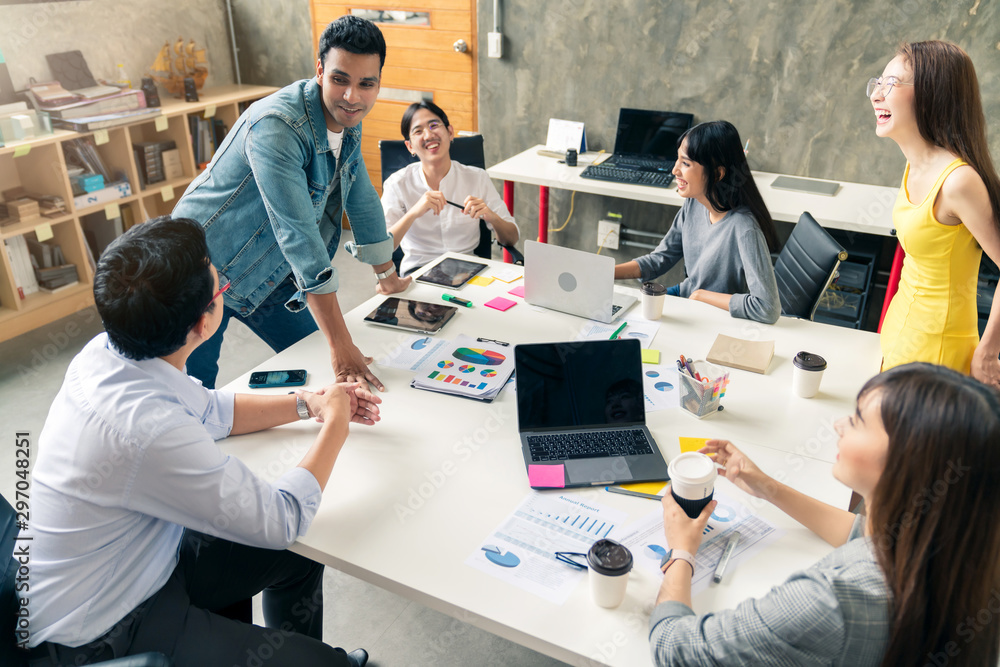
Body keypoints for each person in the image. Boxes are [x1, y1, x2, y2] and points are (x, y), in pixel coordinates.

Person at [26, 217, 380, 667]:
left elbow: (211, 410)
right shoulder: (150, 429)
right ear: (202, 323)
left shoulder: (109, 351)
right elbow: (283, 517)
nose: (225, 284)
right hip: (104, 625)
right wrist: (336, 425)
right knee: (311, 628)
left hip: (139, 558)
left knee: (297, 558)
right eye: (220, 285)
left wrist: (309, 402)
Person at [650, 363, 1000, 666]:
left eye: (858, 420)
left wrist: (681, 552)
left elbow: (677, 648)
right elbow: (865, 535)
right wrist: (767, 487)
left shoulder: (831, 602)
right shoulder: (964, 554)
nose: (838, 424)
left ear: (907, 462)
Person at [173, 15, 410, 391]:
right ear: (320, 70)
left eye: (366, 84)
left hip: (271, 272)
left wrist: (388, 276)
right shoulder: (277, 126)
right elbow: (298, 235)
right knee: (191, 390)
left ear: (378, 81)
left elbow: (360, 193)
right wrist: (341, 342)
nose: (353, 96)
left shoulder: (347, 114)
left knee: (314, 361)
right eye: (340, 79)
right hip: (202, 270)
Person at [872, 40, 1000, 385]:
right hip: (898, 341)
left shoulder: (959, 182)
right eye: (878, 83)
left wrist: (988, 353)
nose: (876, 95)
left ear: (933, 93)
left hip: (936, 360)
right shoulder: (914, 164)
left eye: (892, 83)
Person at [614, 120, 781, 324]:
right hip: (687, 298)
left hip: (713, 317)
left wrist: (703, 295)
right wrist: (605, 272)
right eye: (678, 160)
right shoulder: (693, 204)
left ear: (718, 173)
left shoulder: (744, 228)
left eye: (685, 163)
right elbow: (661, 258)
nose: (675, 170)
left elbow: (768, 308)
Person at [381, 100, 519, 276]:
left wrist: (491, 216)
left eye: (434, 125)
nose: (429, 135)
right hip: (419, 274)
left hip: (469, 271)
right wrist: (413, 213)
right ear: (410, 146)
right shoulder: (397, 183)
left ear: (450, 132)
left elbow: (512, 238)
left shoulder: (477, 178)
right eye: (418, 131)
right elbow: (382, 249)